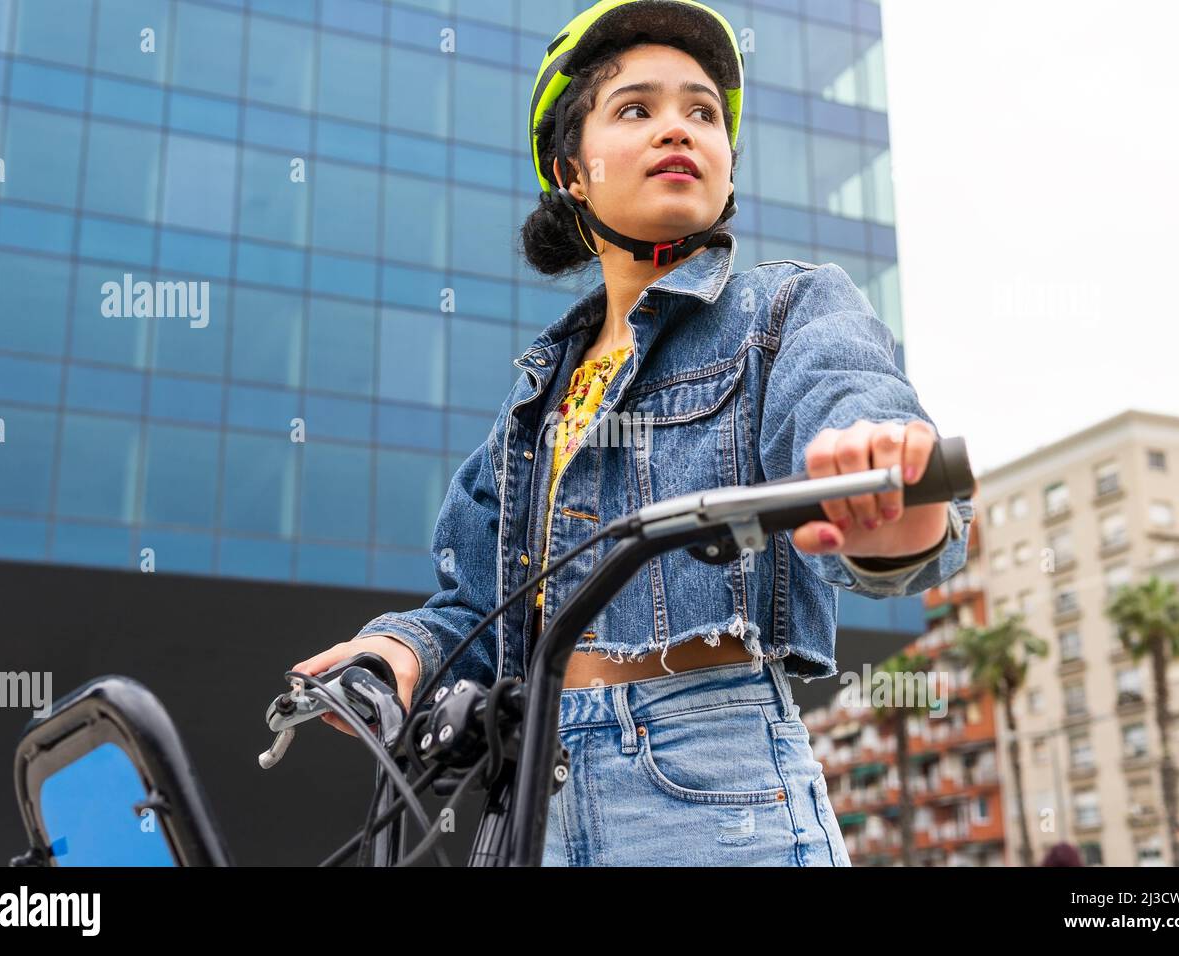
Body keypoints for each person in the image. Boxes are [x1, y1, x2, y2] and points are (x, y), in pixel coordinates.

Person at [294, 0, 973, 866]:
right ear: (571, 172)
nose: (678, 129)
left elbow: (853, 403)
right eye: (635, 109)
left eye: (702, 112)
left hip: (708, 781)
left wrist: (889, 495)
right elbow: (475, 608)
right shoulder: (535, 403)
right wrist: (401, 648)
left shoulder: (786, 310)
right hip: (527, 790)